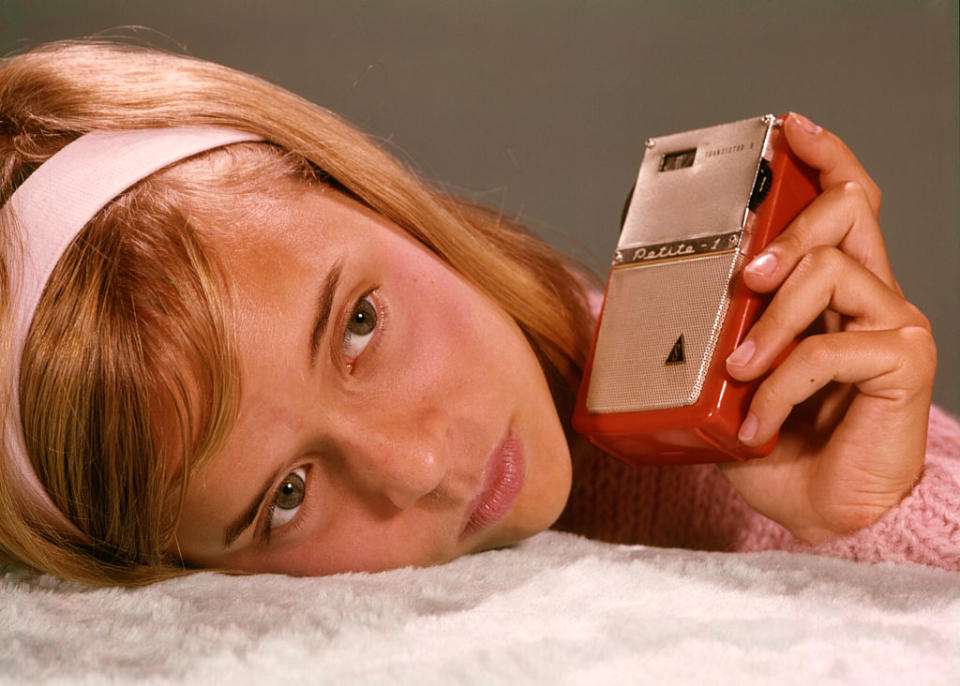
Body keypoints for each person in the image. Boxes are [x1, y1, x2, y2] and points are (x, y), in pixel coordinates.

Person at [0, 40, 956, 586]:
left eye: (359, 325)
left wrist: (866, 528)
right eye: (283, 497)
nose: (417, 467)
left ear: (376, 199)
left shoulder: (740, 394)